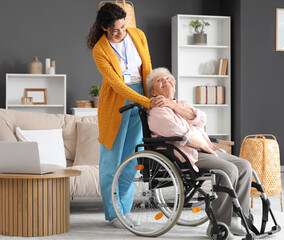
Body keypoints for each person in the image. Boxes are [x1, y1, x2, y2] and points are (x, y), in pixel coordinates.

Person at [146, 68, 252, 238]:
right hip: (187, 155)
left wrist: (174, 105)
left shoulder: (182, 104)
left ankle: (236, 219)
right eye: (160, 81)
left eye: (168, 78)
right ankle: (218, 225)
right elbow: (180, 135)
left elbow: (201, 119)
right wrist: (204, 147)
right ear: (152, 91)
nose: (166, 81)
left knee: (245, 166)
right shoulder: (157, 111)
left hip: (205, 149)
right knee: (229, 170)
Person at [87, 3, 158, 228]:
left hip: (141, 99)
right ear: (103, 27)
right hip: (117, 104)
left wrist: (153, 96)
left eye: (123, 27)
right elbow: (117, 85)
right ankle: (113, 214)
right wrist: (146, 101)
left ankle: (124, 211)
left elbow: (147, 69)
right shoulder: (100, 50)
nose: (121, 33)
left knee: (131, 159)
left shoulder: (138, 35)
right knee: (111, 161)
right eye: (115, 30)